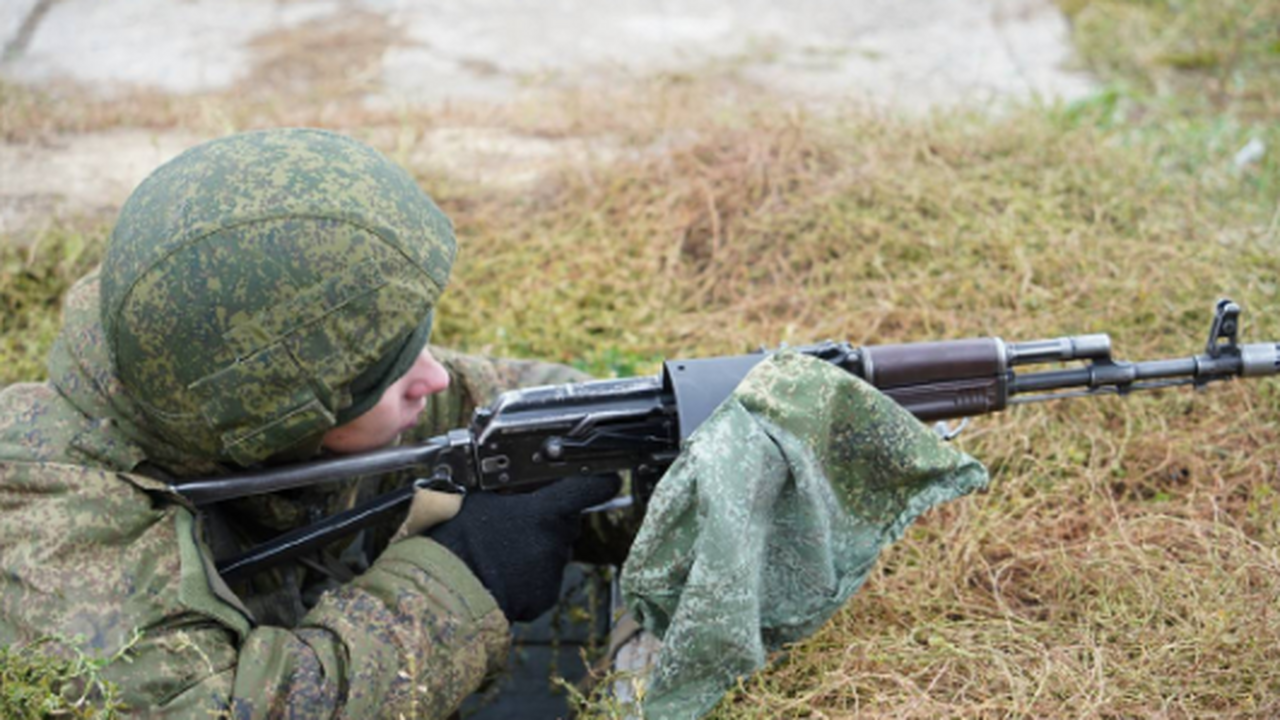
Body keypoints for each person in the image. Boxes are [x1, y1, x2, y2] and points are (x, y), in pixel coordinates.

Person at [0, 128, 618, 718]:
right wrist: (464, 576)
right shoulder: (60, 538)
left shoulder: (247, 390)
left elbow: (524, 408)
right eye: (382, 369)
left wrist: (657, 453)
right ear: (270, 418)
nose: (434, 379)